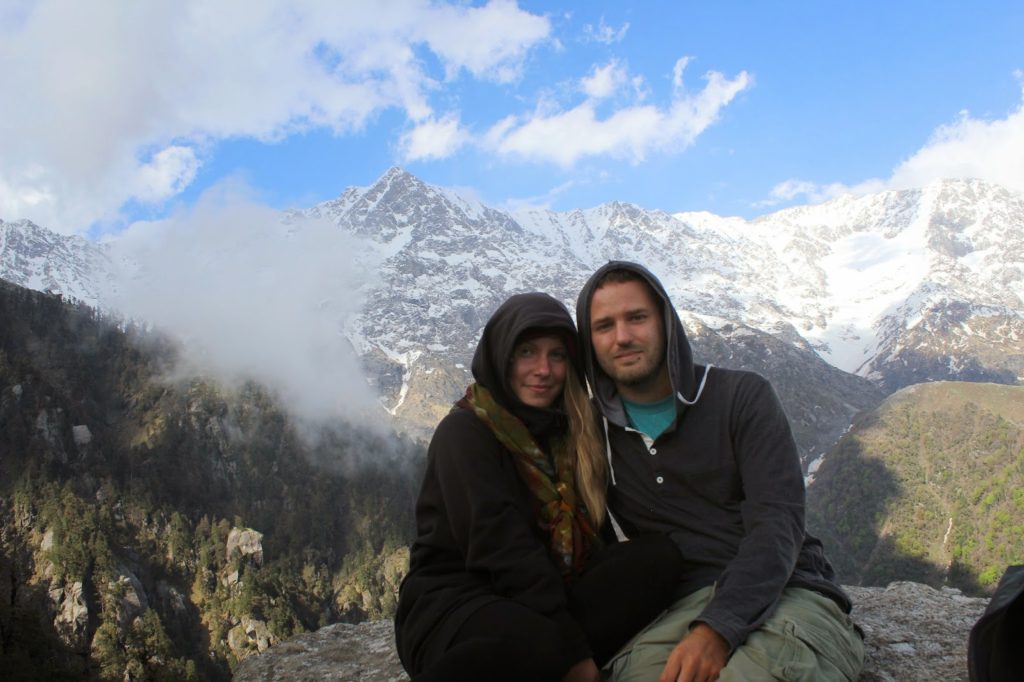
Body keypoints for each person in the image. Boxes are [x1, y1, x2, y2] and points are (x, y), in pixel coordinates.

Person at [575, 262, 865, 682]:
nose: (622, 337)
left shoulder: (740, 396)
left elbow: (777, 522)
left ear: (665, 322)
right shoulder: (591, 430)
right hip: (680, 606)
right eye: (604, 326)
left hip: (787, 591)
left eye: (636, 317)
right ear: (591, 343)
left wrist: (718, 630)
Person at [395, 292, 684, 682]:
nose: (543, 369)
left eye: (558, 355)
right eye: (527, 352)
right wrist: (575, 653)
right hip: (456, 603)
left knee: (656, 560)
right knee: (540, 643)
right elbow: (500, 546)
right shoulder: (465, 433)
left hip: (549, 592)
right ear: (502, 357)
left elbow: (599, 542)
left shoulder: (570, 433)